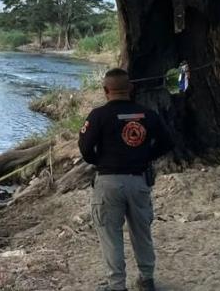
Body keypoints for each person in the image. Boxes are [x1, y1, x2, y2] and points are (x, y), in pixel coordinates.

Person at [78, 68, 173, 291]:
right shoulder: (147, 115)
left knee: (110, 235)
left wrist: (99, 160)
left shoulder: (98, 115)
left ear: (105, 90)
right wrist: (145, 157)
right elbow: (167, 143)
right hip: (139, 180)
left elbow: (84, 148)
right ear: (130, 88)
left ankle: (116, 285)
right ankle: (147, 278)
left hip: (108, 182)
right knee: (142, 232)